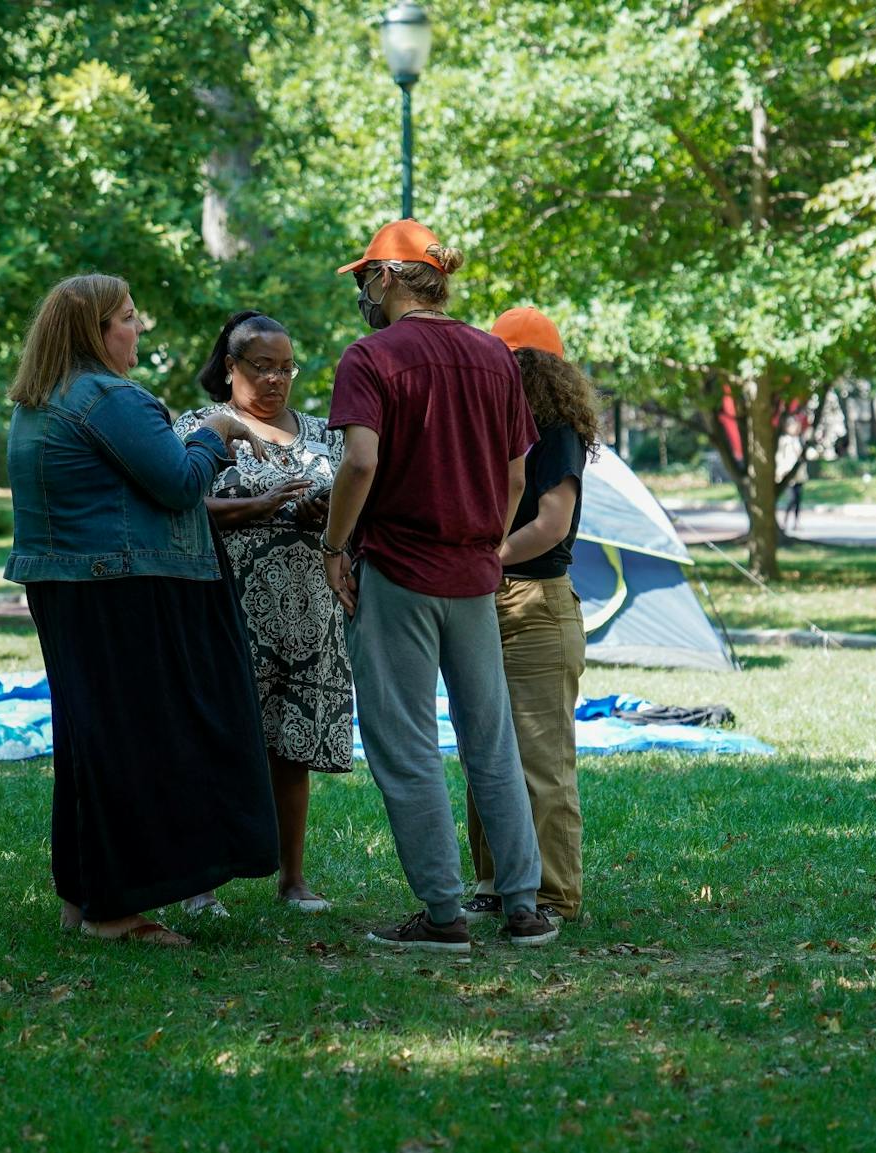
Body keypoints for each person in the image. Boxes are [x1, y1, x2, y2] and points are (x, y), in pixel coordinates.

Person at [4, 273, 278, 947]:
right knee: (132, 746)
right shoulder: (108, 397)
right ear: (95, 332)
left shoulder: (40, 400)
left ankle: (84, 897)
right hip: (119, 589)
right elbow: (180, 483)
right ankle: (117, 913)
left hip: (70, 587)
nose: (138, 328)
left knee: (91, 744)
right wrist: (217, 429)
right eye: (127, 318)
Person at [321, 219, 555, 952]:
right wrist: (486, 542)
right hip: (474, 575)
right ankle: (524, 905)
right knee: (492, 740)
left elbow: (361, 462)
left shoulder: (369, 356)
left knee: (407, 742)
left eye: (366, 276)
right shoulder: (494, 356)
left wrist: (334, 545)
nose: (364, 291)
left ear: (388, 277)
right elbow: (515, 475)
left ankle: (444, 914)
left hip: (398, 570)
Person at [174, 311, 351, 915]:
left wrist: (326, 516)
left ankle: (292, 879)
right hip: (228, 610)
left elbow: (356, 503)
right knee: (217, 742)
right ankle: (201, 884)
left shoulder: (326, 435)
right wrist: (257, 506)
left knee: (291, 748)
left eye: (287, 368)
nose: (277, 379)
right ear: (231, 367)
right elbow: (179, 504)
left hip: (309, 614)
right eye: (262, 367)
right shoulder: (199, 428)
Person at [458, 306, 597, 927]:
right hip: (485, 600)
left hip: (537, 605)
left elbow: (551, 523)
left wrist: (487, 561)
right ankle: (494, 882)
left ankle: (554, 895)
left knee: (542, 763)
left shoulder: (557, 430)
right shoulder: (492, 429)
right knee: (485, 754)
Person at [775, 415, 807, 533]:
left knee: (798, 499)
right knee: (792, 498)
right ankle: (785, 521)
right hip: (788, 473)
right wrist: (781, 471)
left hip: (799, 474)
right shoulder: (783, 441)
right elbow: (779, 457)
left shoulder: (799, 440)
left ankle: (796, 522)